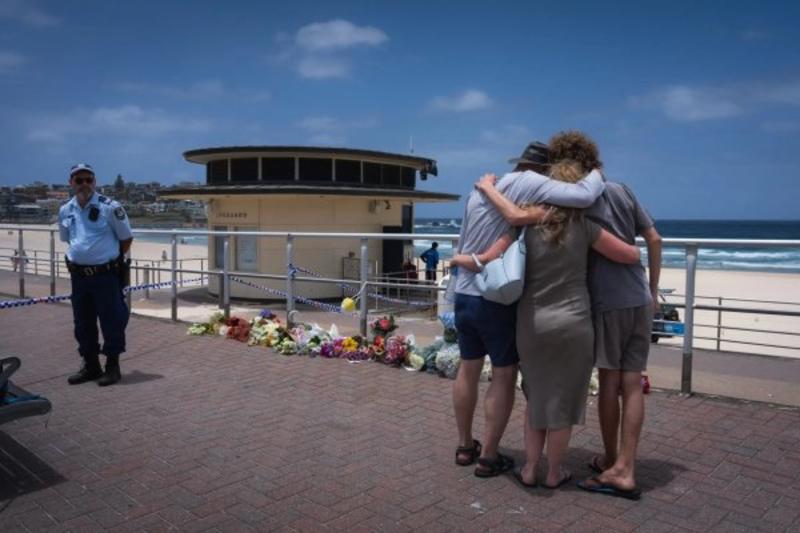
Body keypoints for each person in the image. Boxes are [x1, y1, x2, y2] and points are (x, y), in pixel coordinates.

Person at [454, 153, 641, 488]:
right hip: (573, 323)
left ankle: (523, 467)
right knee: (561, 399)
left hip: (526, 320)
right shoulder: (582, 225)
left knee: (535, 395)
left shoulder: (520, 224)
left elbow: (488, 257)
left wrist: (461, 258)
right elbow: (630, 254)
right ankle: (553, 472)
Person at [541, 132, 662, 500]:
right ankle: (626, 463)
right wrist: (653, 290)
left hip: (608, 302)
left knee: (609, 382)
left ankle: (615, 465)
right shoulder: (622, 190)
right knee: (633, 381)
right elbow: (654, 239)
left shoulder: (578, 200)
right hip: (639, 297)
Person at [59, 163, 133, 387]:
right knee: (82, 323)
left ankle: (112, 367)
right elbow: (67, 239)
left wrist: (110, 261)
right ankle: (90, 366)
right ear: (71, 183)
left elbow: (126, 238)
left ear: (95, 181)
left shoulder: (110, 207)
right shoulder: (65, 209)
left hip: (105, 276)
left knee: (111, 320)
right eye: (78, 180)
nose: (84, 184)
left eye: (88, 180)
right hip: (79, 277)